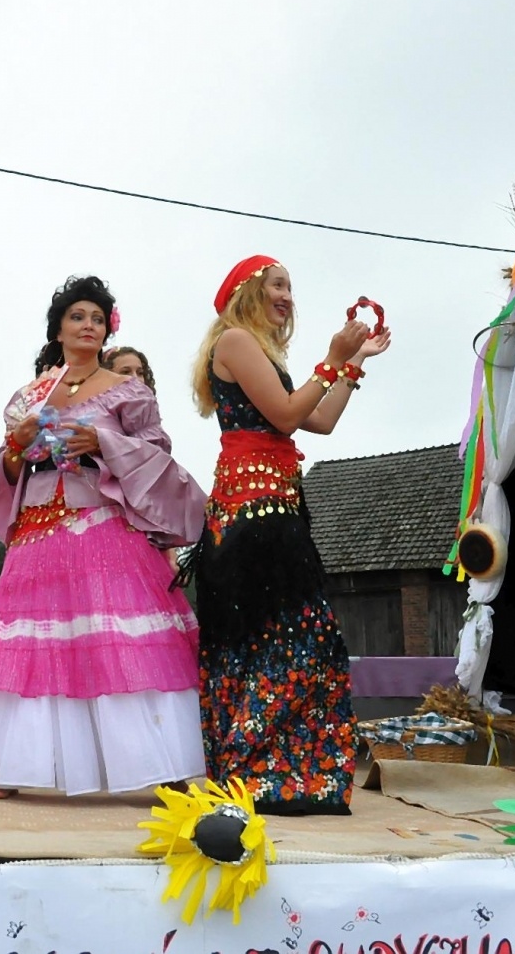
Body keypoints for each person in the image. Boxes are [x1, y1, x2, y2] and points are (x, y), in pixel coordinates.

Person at [0, 276, 208, 799]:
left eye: (98, 318)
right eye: (78, 316)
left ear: (107, 329)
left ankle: (165, 763)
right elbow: (12, 469)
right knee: (32, 640)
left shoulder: (127, 390)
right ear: (58, 328)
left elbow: (157, 453)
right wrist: (16, 448)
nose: (89, 325)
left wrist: (102, 441)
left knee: (121, 635)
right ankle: (11, 767)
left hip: (104, 524)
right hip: (38, 529)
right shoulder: (30, 395)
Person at [181, 255, 390, 815]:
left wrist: (352, 366)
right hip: (251, 518)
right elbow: (287, 417)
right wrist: (331, 359)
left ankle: (286, 774)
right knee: (273, 641)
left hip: (277, 511)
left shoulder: (263, 353)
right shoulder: (234, 342)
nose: (288, 296)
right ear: (249, 291)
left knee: (302, 640)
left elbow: (317, 421)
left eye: (291, 288)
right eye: (278, 285)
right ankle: (252, 772)